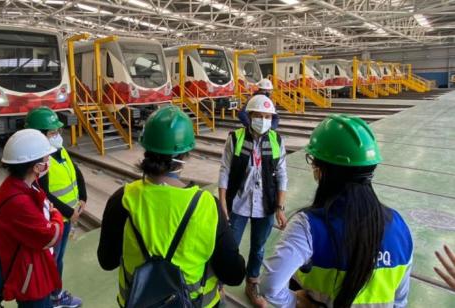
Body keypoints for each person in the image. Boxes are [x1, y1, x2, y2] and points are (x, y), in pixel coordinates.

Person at [97, 105, 246, 307]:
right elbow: (234, 274)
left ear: (146, 150)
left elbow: (107, 261)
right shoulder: (207, 205)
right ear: (184, 156)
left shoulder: (122, 200)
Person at [261, 114, 414, 307]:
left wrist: (295, 302)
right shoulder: (400, 227)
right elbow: (399, 301)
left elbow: (269, 286)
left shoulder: (307, 226)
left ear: (323, 170)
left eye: (314, 161)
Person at [218, 94, 288, 307]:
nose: (263, 120)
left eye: (268, 116)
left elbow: (282, 174)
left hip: (265, 205)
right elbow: (225, 171)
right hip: (238, 204)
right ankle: (218, 283)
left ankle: (252, 282)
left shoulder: (277, 141)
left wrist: (280, 207)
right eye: (259, 115)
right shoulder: (235, 138)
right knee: (230, 245)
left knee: (258, 247)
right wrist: (222, 204)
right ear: (249, 116)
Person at [0, 129, 64, 308]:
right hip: (30, 281)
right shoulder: (18, 201)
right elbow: (50, 236)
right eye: (46, 160)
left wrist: (49, 211)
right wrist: (56, 215)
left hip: (34, 269)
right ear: (36, 167)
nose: (48, 163)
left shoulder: (22, 185)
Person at [25, 107, 85, 308]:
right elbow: (46, 195)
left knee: (58, 260)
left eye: (58, 132)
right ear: (39, 136)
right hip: (54, 221)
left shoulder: (59, 151)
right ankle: (54, 298)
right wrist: (70, 212)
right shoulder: (41, 163)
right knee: (52, 261)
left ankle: (56, 294)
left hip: (65, 219)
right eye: (53, 133)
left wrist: (82, 197)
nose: (58, 136)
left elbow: (76, 172)